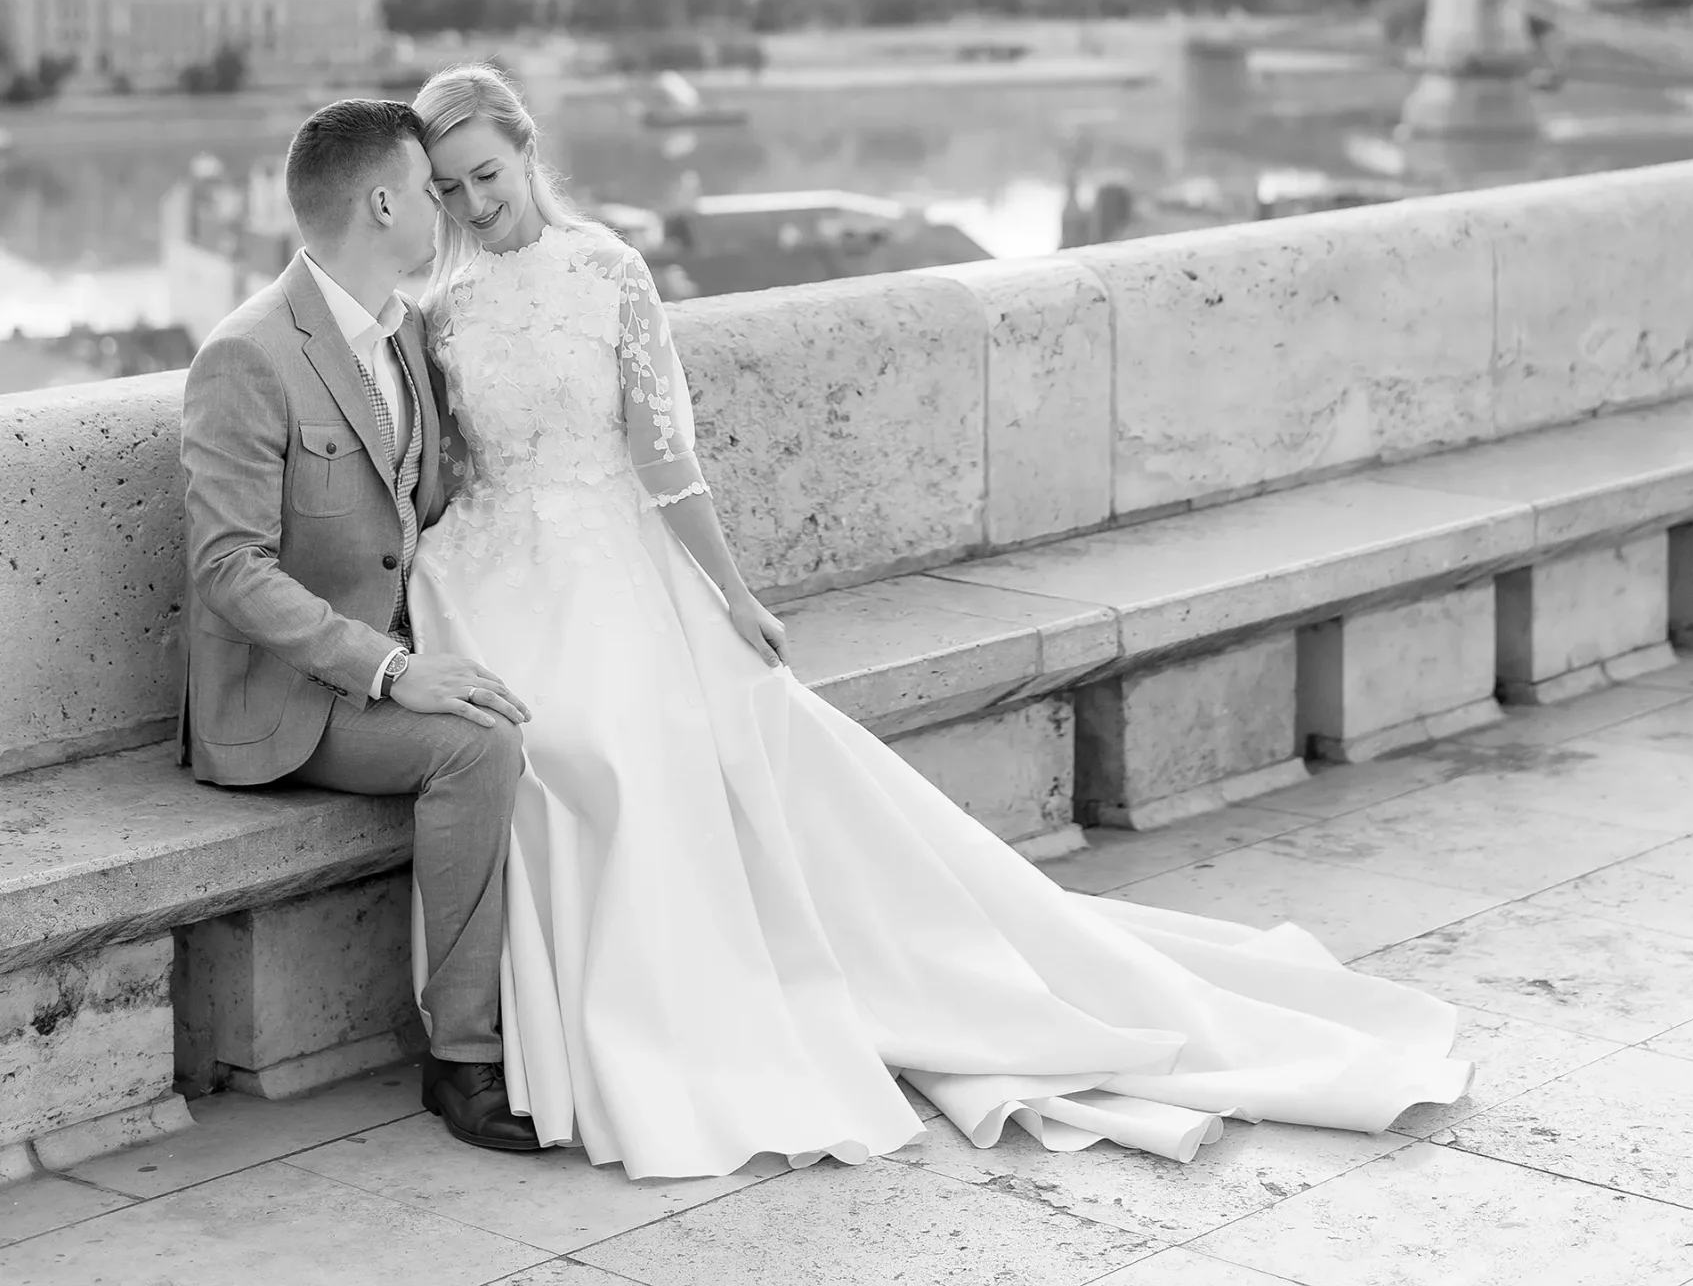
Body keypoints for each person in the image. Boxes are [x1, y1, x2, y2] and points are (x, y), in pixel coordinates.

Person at [404, 61, 1473, 1179]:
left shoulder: (608, 272)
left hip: (607, 563)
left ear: (528, 152)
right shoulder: (442, 305)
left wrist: (733, 597)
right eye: (448, 189)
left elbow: (666, 464)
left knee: (612, 751)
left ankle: (638, 1020)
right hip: (482, 568)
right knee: (518, 749)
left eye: (488, 174)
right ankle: (509, 1035)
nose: (476, 206)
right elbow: (447, 466)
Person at [179, 98, 544, 1154]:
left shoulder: (412, 331)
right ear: (385, 200)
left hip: (395, 657)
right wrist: (391, 669)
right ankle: (463, 1058)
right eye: (433, 192)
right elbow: (227, 568)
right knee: (482, 742)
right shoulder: (246, 354)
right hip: (291, 698)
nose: (448, 210)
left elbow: (425, 513)